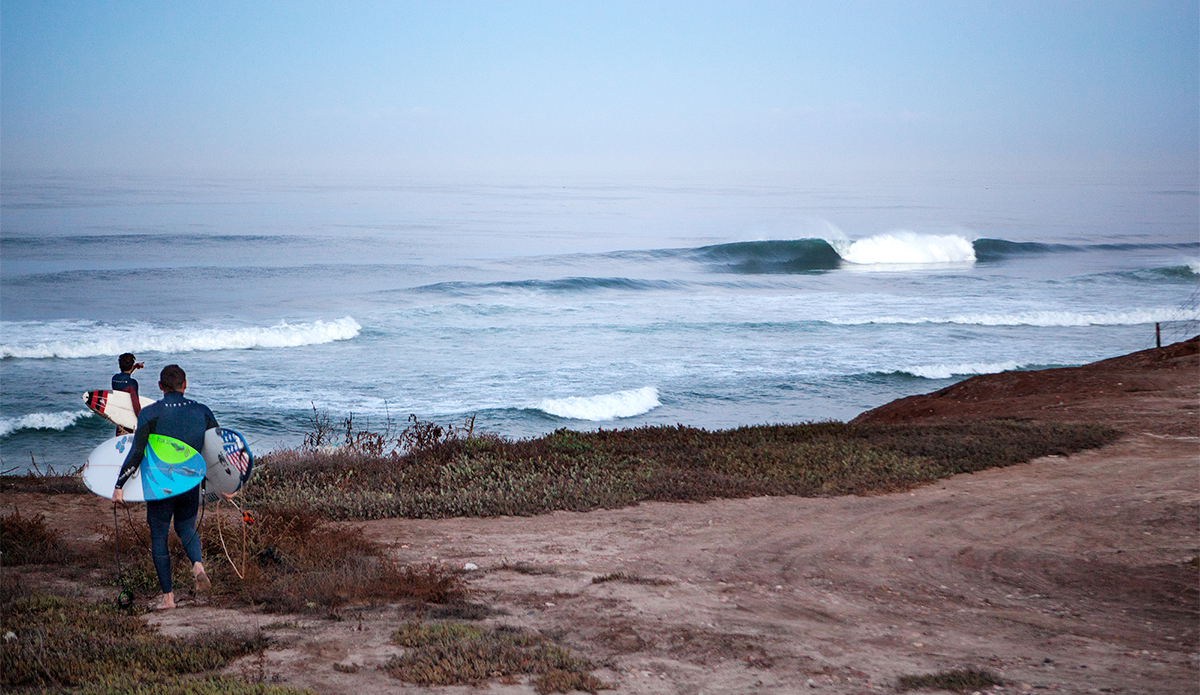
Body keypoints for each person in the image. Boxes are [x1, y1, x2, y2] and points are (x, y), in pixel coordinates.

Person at [112, 364, 218, 610]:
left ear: (160, 386)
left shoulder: (150, 413)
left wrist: (120, 484)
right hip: (190, 481)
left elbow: (136, 453)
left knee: (159, 535)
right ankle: (197, 565)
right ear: (185, 385)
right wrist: (225, 483)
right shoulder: (202, 411)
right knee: (185, 527)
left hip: (160, 484)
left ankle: (168, 598)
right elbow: (215, 451)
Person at [112, 353, 145, 436]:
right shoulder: (132, 383)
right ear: (131, 365)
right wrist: (143, 420)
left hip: (119, 418)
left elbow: (125, 375)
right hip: (129, 419)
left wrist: (135, 366)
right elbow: (136, 405)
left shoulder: (114, 378)